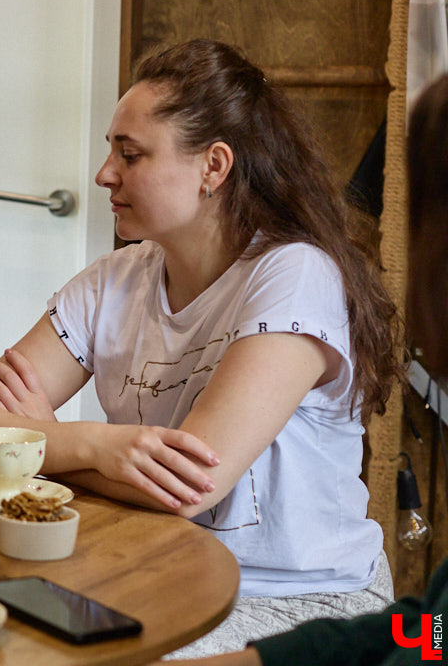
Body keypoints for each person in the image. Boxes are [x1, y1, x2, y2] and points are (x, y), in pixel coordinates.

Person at [0, 39, 402, 656]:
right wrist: (98, 446)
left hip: (296, 601)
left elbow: (191, 487)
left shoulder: (295, 274)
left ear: (213, 166)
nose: (104, 174)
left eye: (129, 155)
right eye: (111, 151)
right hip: (154, 569)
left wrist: (36, 439)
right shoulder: (112, 281)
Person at [150, 73, 448, 665]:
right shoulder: (124, 273)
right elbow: (433, 633)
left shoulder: (298, 273)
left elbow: (189, 481)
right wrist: (253, 662)